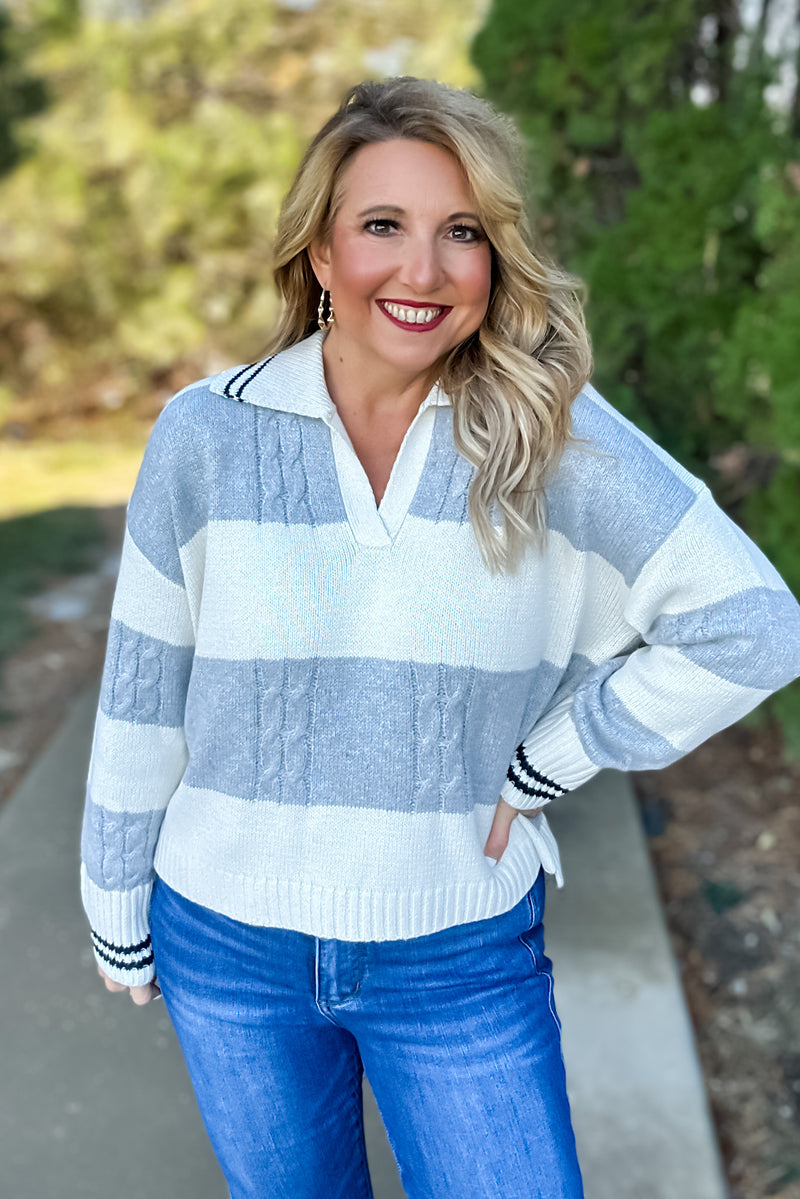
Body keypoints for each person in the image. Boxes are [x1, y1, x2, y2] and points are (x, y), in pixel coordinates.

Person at [80, 76, 800, 1199]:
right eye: (382, 226)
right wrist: (114, 900)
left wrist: (555, 751)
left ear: (494, 256)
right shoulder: (206, 432)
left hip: (455, 951)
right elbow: (144, 680)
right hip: (227, 941)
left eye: (459, 231)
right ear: (319, 252)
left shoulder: (545, 430)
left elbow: (753, 625)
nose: (422, 271)